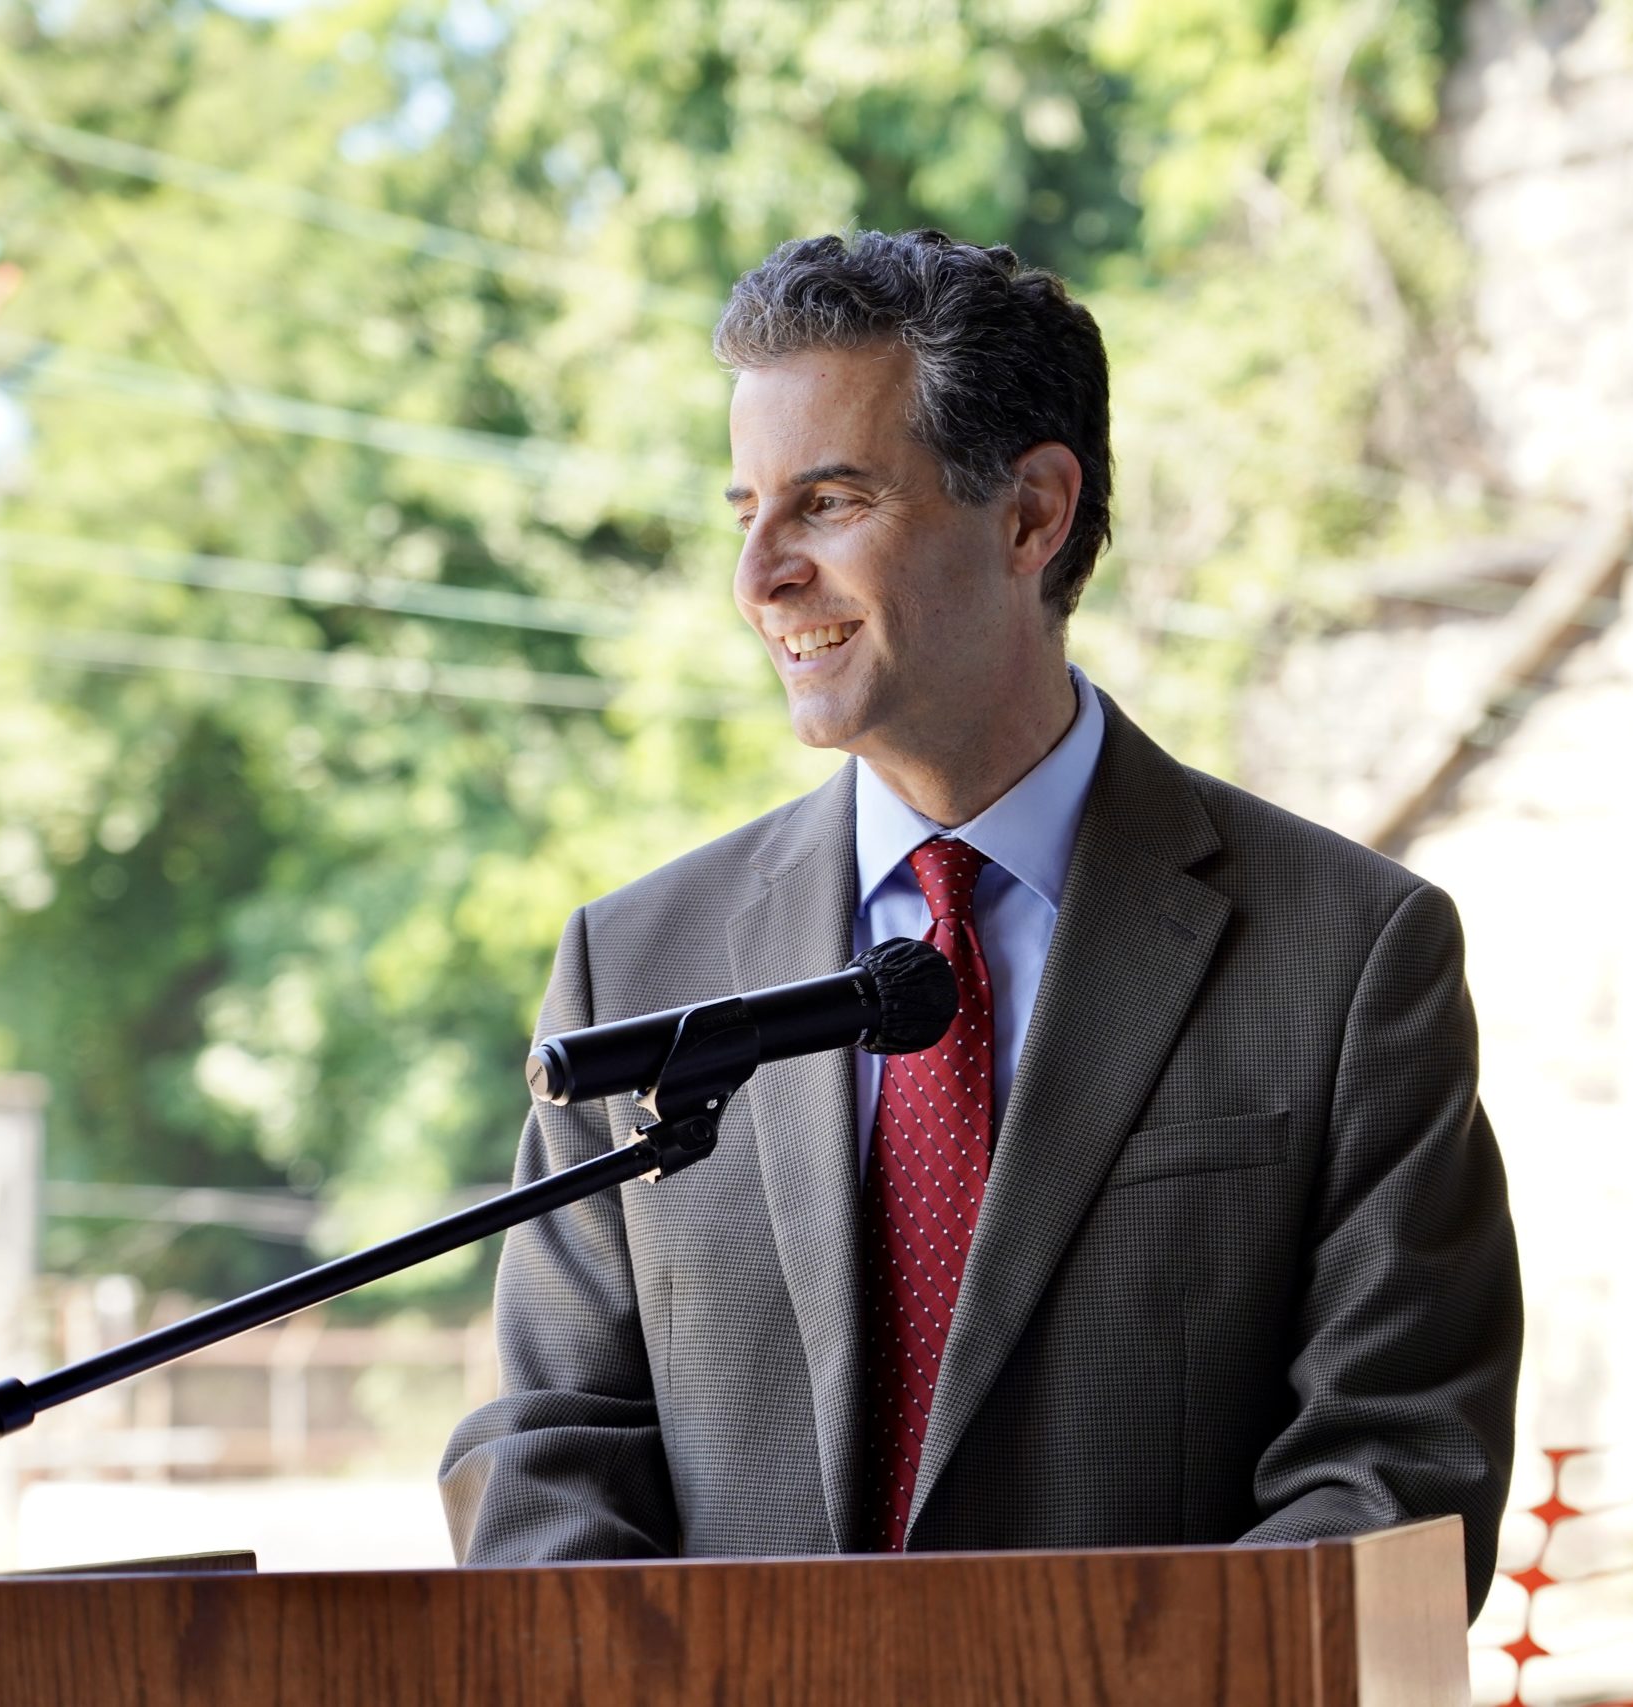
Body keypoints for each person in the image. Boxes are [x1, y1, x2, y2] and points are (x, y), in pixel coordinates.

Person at [438, 228, 1520, 1616]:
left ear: (1031, 516)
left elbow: (1394, 1472)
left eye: (828, 502)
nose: (758, 575)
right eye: (744, 510)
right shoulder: (629, 965)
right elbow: (552, 1439)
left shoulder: (1355, 956)